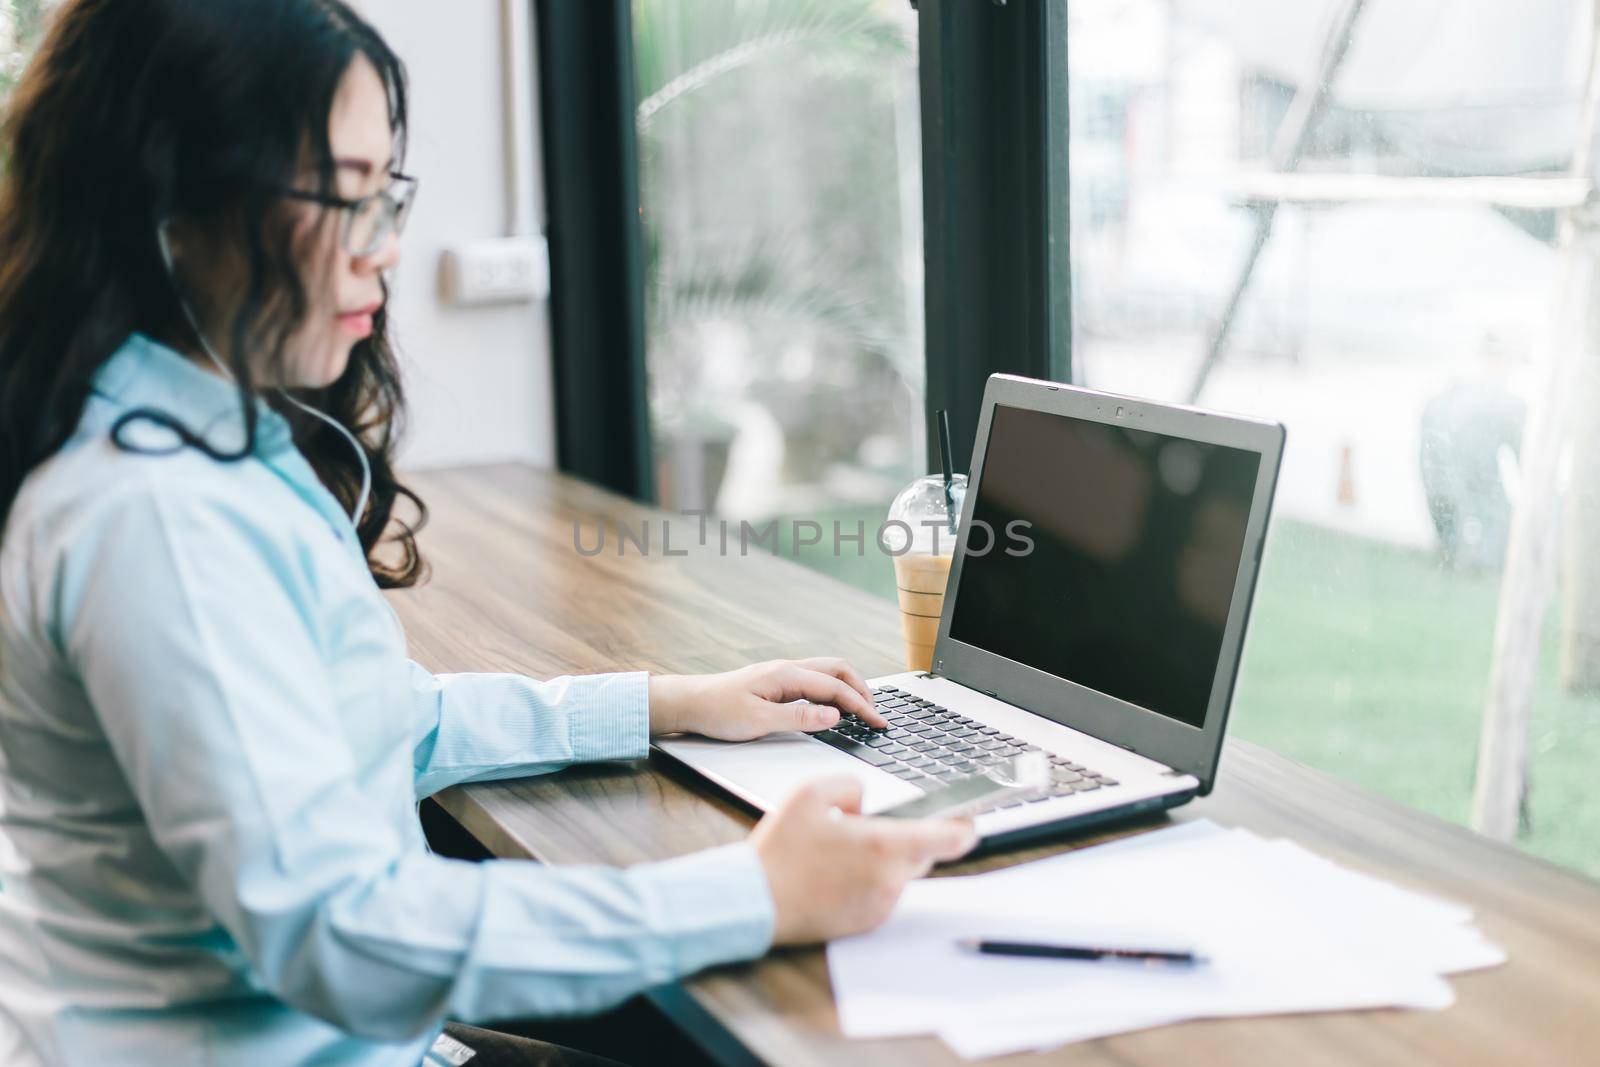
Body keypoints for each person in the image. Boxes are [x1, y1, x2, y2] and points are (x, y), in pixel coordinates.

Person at [0, 2, 975, 1064]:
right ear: (175, 200)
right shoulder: (156, 515)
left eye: (389, 195)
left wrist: (668, 702)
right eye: (345, 195)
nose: (386, 249)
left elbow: (380, 722)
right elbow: (344, 934)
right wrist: (748, 891)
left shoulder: (204, 438)